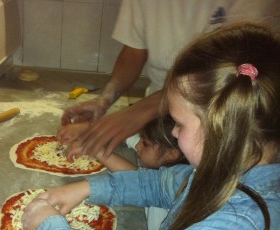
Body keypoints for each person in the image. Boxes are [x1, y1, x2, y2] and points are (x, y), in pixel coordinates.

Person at [22, 22, 280, 230]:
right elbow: (158, 184)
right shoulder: (231, 169)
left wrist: (49, 228)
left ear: (221, 131)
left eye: (180, 124)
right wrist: (86, 188)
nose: (172, 134)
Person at [58, 0, 280, 160]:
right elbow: (134, 52)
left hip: (218, 118)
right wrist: (104, 102)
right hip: (166, 121)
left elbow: (245, 67)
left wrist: (141, 111)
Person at [62, 116, 186, 230]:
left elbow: (134, 180)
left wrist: (96, 148)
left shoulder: (176, 193)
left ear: (171, 154)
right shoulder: (168, 162)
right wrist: (90, 129)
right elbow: (127, 135)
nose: (138, 145)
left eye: (145, 143)